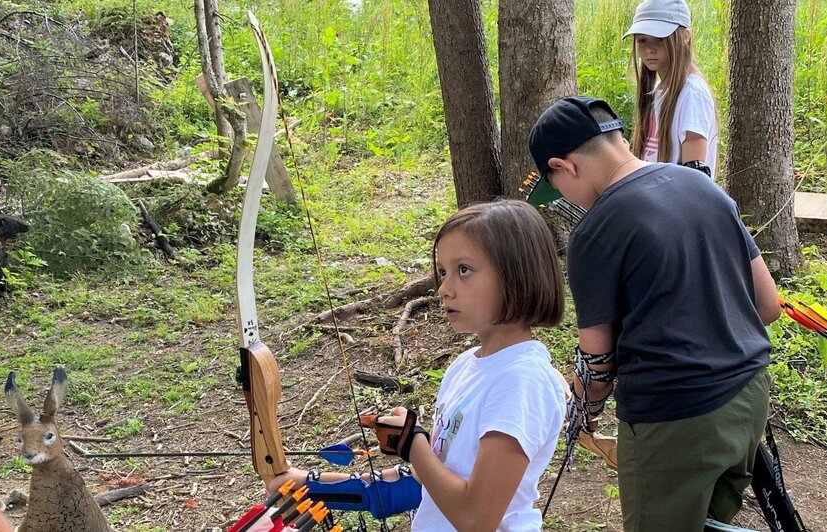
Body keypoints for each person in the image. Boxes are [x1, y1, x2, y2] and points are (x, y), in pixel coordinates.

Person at [524, 95, 780, 532]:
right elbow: (768, 305)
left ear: (564, 166)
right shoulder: (703, 186)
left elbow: (598, 362)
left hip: (674, 419)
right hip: (749, 397)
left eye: (557, 186)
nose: (566, 199)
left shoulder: (595, 231)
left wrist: (582, 413)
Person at [270, 200, 568, 531]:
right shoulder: (466, 365)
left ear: (516, 275)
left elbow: (476, 519)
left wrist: (413, 444)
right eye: (442, 272)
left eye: (464, 270)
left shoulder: (521, 382)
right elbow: (435, 476)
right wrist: (311, 483)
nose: (444, 289)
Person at [625, 0, 719, 179]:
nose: (649, 49)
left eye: (660, 39)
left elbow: (694, 176)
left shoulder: (692, 93)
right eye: (642, 40)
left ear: (685, 36)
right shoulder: (657, 90)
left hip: (677, 205)